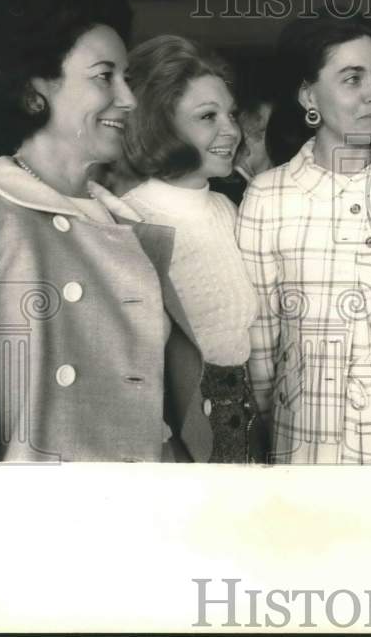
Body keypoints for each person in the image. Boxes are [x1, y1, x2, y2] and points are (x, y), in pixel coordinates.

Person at [0, 0, 212, 463]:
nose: (129, 99)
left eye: (127, 78)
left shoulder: (124, 225)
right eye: (105, 77)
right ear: (32, 91)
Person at [237, 13, 371, 464]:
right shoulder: (268, 197)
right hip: (312, 447)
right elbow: (261, 348)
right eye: (351, 79)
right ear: (308, 95)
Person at [122, 35, 264, 463]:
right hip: (180, 430)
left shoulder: (228, 206)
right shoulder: (131, 220)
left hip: (245, 416)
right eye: (207, 116)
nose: (230, 130)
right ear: (161, 126)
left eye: (231, 114)